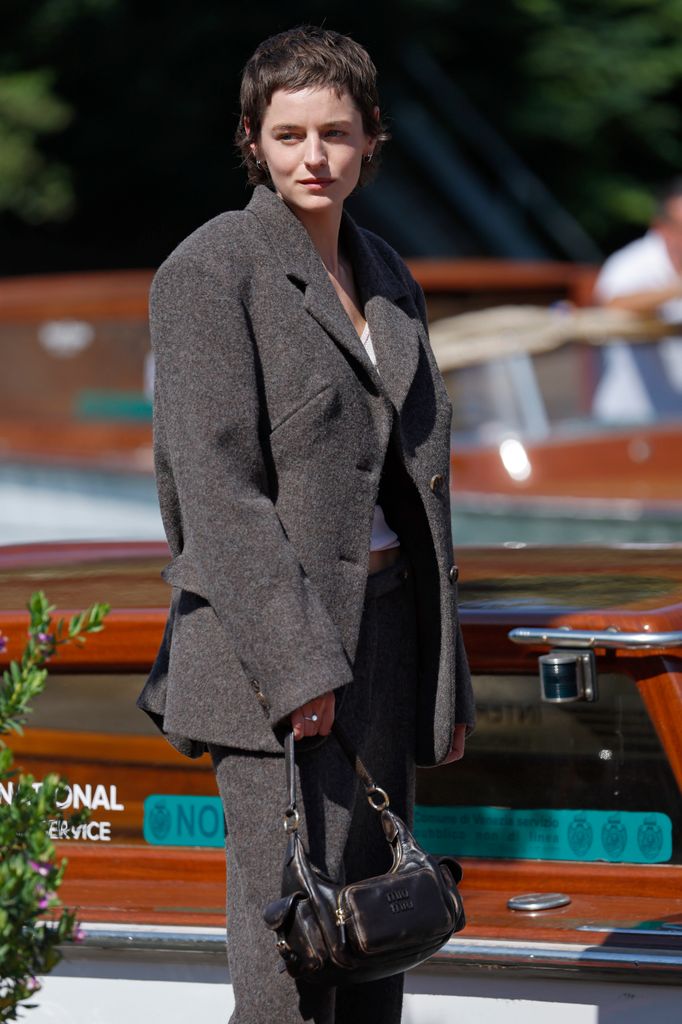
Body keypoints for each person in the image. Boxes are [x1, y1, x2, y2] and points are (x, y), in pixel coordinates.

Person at [137, 25, 474, 1024]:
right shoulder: (210, 272)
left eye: (335, 132)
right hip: (270, 663)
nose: (312, 157)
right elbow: (215, 490)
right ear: (252, 141)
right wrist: (298, 671)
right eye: (288, 135)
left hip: (386, 642)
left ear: (372, 138)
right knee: (287, 971)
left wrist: (442, 676)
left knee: (377, 940)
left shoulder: (386, 276)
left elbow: (420, 493)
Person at [592, 179, 682, 421]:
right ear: (661, 227)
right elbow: (611, 306)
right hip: (629, 423)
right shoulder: (631, 265)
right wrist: (675, 291)